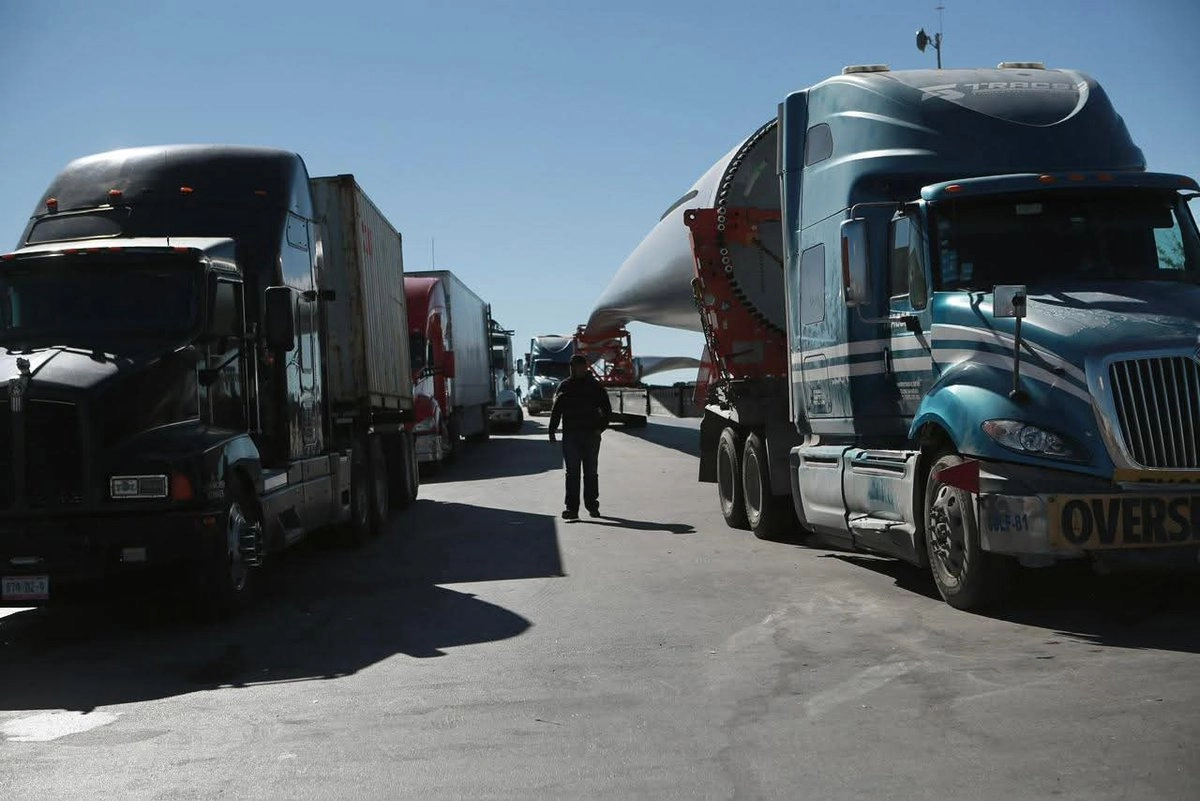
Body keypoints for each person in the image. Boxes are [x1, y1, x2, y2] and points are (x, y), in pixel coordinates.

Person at [548, 354, 612, 520]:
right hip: (571, 436)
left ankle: (592, 506)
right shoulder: (565, 386)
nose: (578, 369)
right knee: (572, 474)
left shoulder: (595, 387)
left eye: (581, 366)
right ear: (572, 368)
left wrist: (600, 429)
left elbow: (607, 410)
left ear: (586, 367)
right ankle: (572, 509)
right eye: (575, 366)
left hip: (591, 435)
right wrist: (552, 430)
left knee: (591, 473)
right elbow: (557, 410)